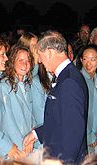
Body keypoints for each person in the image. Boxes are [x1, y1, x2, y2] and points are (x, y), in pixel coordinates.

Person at [23, 30, 88, 164]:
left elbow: (73, 133)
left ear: (49, 53)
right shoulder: (67, 76)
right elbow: (60, 121)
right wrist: (37, 134)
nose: (39, 61)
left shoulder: (69, 82)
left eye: (40, 56)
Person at [1, 44, 37, 155]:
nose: (24, 64)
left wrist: (33, 139)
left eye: (27, 60)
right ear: (12, 62)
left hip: (28, 144)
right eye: (20, 60)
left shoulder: (27, 85)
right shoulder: (5, 86)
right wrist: (22, 147)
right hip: (15, 147)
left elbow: (32, 117)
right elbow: (8, 122)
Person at [76, 44, 97, 153]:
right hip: (84, 135)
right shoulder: (80, 80)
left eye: (92, 59)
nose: (88, 63)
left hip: (94, 132)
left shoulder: (96, 78)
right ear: (81, 60)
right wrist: (89, 135)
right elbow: (82, 112)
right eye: (84, 59)